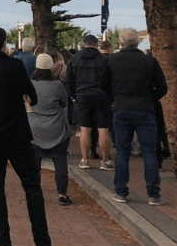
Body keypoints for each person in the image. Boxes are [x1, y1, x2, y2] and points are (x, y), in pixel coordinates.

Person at [0, 26, 64, 246]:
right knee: (32, 187)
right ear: (5, 44)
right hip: (17, 133)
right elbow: (32, 95)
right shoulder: (15, 66)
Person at [105, 27, 168, 206]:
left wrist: (115, 98)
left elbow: (103, 84)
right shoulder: (150, 61)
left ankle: (121, 192)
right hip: (145, 109)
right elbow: (162, 87)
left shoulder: (113, 61)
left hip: (121, 108)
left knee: (122, 152)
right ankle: (154, 194)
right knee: (149, 152)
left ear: (122, 42)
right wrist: (151, 99)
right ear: (138, 42)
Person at [29, 54, 73, 206]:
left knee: (34, 162)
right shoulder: (57, 85)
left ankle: (34, 192)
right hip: (56, 128)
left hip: (34, 129)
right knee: (60, 161)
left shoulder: (30, 84)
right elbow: (64, 102)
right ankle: (62, 193)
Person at [67, 34, 113, 170]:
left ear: (83, 44)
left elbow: (69, 80)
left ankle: (84, 159)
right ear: (96, 44)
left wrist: (73, 95)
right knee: (103, 129)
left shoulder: (74, 59)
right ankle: (105, 161)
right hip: (101, 96)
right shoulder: (104, 59)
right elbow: (110, 80)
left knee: (85, 128)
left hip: (82, 96)